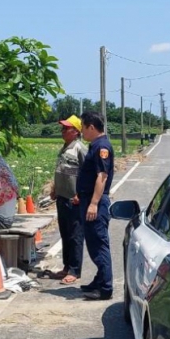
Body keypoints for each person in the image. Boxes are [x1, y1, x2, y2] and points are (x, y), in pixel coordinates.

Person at [76, 111, 115, 300]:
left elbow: (102, 176)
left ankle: (105, 288)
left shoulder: (102, 147)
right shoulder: (96, 145)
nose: (81, 131)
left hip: (95, 203)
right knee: (93, 243)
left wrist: (93, 203)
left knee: (99, 244)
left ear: (91, 127)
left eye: (83, 127)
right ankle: (99, 280)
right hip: (88, 200)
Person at [49, 115, 87, 285]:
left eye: (66, 128)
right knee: (65, 233)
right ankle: (66, 266)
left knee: (75, 235)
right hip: (62, 197)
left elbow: (87, 174)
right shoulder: (65, 148)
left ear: (76, 131)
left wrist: (80, 192)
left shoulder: (79, 148)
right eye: (62, 128)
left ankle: (74, 270)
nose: (62, 131)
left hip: (74, 199)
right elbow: (61, 170)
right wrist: (54, 188)